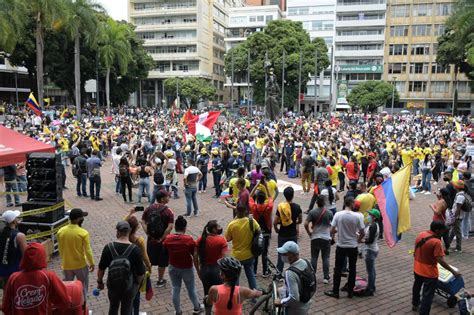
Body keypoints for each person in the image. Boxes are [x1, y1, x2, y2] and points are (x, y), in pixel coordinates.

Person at [2, 243, 70, 314]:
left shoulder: (14, 278)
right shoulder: (48, 276)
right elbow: (65, 300)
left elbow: (6, 306)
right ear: (42, 256)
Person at [412, 221, 461, 314]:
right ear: (437, 230)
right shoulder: (436, 242)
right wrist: (453, 271)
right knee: (427, 295)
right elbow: (440, 260)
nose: (444, 233)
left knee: (416, 287)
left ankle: (415, 304)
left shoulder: (420, 234)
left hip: (417, 268)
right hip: (429, 273)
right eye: (443, 231)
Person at [97, 221, 145, 315]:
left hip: (113, 285)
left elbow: (101, 268)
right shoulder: (135, 250)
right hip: (129, 287)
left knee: (113, 307)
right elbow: (140, 273)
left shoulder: (108, 248)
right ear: (129, 231)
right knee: (127, 309)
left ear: (117, 232)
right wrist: (137, 285)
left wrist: (100, 282)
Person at [325, 197, 365, 299]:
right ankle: (350, 292)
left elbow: (332, 229)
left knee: (337, 268)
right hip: (353, 246)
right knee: (352, 268)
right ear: (352, 204)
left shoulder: (338, 214)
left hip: (341, 245)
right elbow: (362, 232)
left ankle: (335, 291)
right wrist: (358, 240)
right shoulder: (358, 216)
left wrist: (332, 238)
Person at [163, 216, 204, 314]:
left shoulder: (168, 238)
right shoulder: (188, 239)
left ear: (175, 227)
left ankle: (177, 311)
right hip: (187, 268)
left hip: (173, 266)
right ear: (185, 228)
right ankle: (196, 307)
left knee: (175, 288)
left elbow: (165, 250)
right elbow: (194, 253)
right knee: (191, 288)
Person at [57, 208, 95, 302]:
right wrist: (92, 263)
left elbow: (60, 249)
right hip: (80, 265)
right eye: (82, 217)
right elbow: (88, 250)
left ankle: (69, 306)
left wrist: (64, 260)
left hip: (66, 265)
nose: (83, 219)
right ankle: (82, 307)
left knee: (67, 288)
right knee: (83, 287)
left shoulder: (61, 231)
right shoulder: (83, 233)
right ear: (78, 219)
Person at [141, 189, 174, 288]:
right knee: (162, 262)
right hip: (163, 241)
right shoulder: (168, 211)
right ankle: (160, 280)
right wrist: (162, 237)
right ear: (163, 199)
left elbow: (142, 221)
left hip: (151, 239)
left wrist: (148, 233)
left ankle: (146, 279)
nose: (169, 197)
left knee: (148, 260)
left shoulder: (149, 208)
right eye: (167, 196)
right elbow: (170, 226)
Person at [225, 204, 260, 290]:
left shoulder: (232, 224)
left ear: (236, 211)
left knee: (236, 278)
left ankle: (236, 297)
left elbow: (227, 239)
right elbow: (258, 232)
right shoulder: (252, 221)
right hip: (249, 254)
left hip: (236, 257)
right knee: (250, 274)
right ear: (246, 212)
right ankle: (254, 296)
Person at [196, 220, 228, 315]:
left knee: (207, 293)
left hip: (205, 270)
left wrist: (198, 270)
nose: (219, 227)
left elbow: (195, 256)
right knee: (220, 294)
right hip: (217, 270)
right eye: (217, 226)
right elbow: (225, 258)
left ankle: (208, 313)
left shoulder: (201, 240)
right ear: (214, 229)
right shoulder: (221, 240)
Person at [125, 211, 152, 315]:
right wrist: (149, 267)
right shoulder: (138, 240)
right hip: (137, 270)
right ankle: (135, 312)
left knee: (127, 296)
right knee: (136, 294)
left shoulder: (122, 237)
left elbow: (123, 222)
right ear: (136, 228)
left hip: (125, 268)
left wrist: (130, 212)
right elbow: (145, 257)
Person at [274, 241, 313, 314]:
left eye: (285, 254)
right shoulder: (306, 262)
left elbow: (294, 298)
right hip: (306, 302)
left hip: (295, 310)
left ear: (293, 255)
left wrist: (281, 302)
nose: (282, 255)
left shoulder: (290, 273)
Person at [304, 195, 333, 284]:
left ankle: (313, 276)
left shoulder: (312, 212)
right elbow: (332, 225)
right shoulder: (329, 213)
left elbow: (305, 224)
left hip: (315, 237)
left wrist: (309, 232)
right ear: (324, 203)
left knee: (314, 257)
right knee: (326, 258)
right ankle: (326, 277)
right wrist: (331, 235)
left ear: (316, 202)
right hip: (326, 237)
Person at [274, 187, 302, 273]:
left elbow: (275, 222)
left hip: (282, 234)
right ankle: (294, 271)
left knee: (281, 254)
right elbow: (300, 220)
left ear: (285, 196)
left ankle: (279, 272)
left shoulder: (281, 207)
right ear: (293, 195)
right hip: (293, 234)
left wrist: (277, 230)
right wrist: (294, 222)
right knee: (294, 253)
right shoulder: (297, 207)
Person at [249, 180, 273, 277]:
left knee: (255, 251)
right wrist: (266, 186)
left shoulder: (254, 207)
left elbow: (250, 196)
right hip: (266, 231)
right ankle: (265, 271)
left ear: (257, 199)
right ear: (264, 199)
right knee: (264, 252)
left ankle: (254, 271)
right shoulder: (268, 207)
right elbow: (271, 197)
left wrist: (257, 185)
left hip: (256, 232)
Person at [0, 210, 27, 288]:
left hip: (2, 271)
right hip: (16, 271)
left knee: (7, 293)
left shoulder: (1, 233)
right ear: (14, 221)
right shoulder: (20, 236)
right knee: (18, 294)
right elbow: (26, 255)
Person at [448, 180, 469, 252]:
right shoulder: (460, 194)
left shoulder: (460, 196)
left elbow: (458, 209)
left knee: (457, 232)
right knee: (453, 231)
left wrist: (454, 218)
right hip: (457, 216)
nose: (453, 186)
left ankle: (458, 248)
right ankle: (448, 243)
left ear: (457, 187)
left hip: (457, 217)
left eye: (455, 185)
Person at [363, 209, 380, 296]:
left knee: (370, 271)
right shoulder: (374, 225)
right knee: (372, 269)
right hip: (374, 249)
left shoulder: (373, 227)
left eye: (370, 215)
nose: (369, 216)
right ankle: (372, 286)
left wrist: (362, 240)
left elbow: (370, 240)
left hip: (370, 250)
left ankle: (370, 289)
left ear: (374, 217)